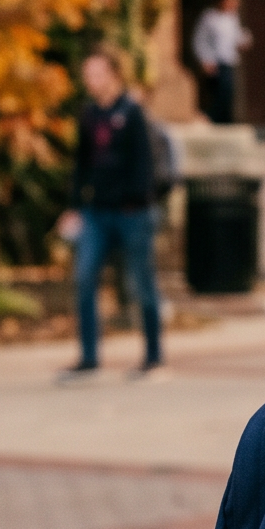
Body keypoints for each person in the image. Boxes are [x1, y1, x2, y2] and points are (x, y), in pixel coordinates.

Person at [59, 47, 163, 382]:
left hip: (133, 213)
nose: (92, 81)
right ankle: (89, 357)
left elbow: (145, 165)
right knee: (85, 277)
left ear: (114, 75)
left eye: (98, 74)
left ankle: (153, 357)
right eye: (88, 75)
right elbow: (82, 164)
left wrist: (137, 201)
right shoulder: (89, 115)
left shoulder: (133, 113)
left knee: (141, 283)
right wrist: (76, 206)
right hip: (97, 213)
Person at [192, 0, 251, 124]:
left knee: (228, 92)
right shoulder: (210, 17)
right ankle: (211, 118)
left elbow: (236, 37)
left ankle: (224, 121)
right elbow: (200, 40)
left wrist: (244, 40)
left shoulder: (232, 18)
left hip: (229, 60)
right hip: (215, 61)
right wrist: (205, 59)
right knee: (219, 92)